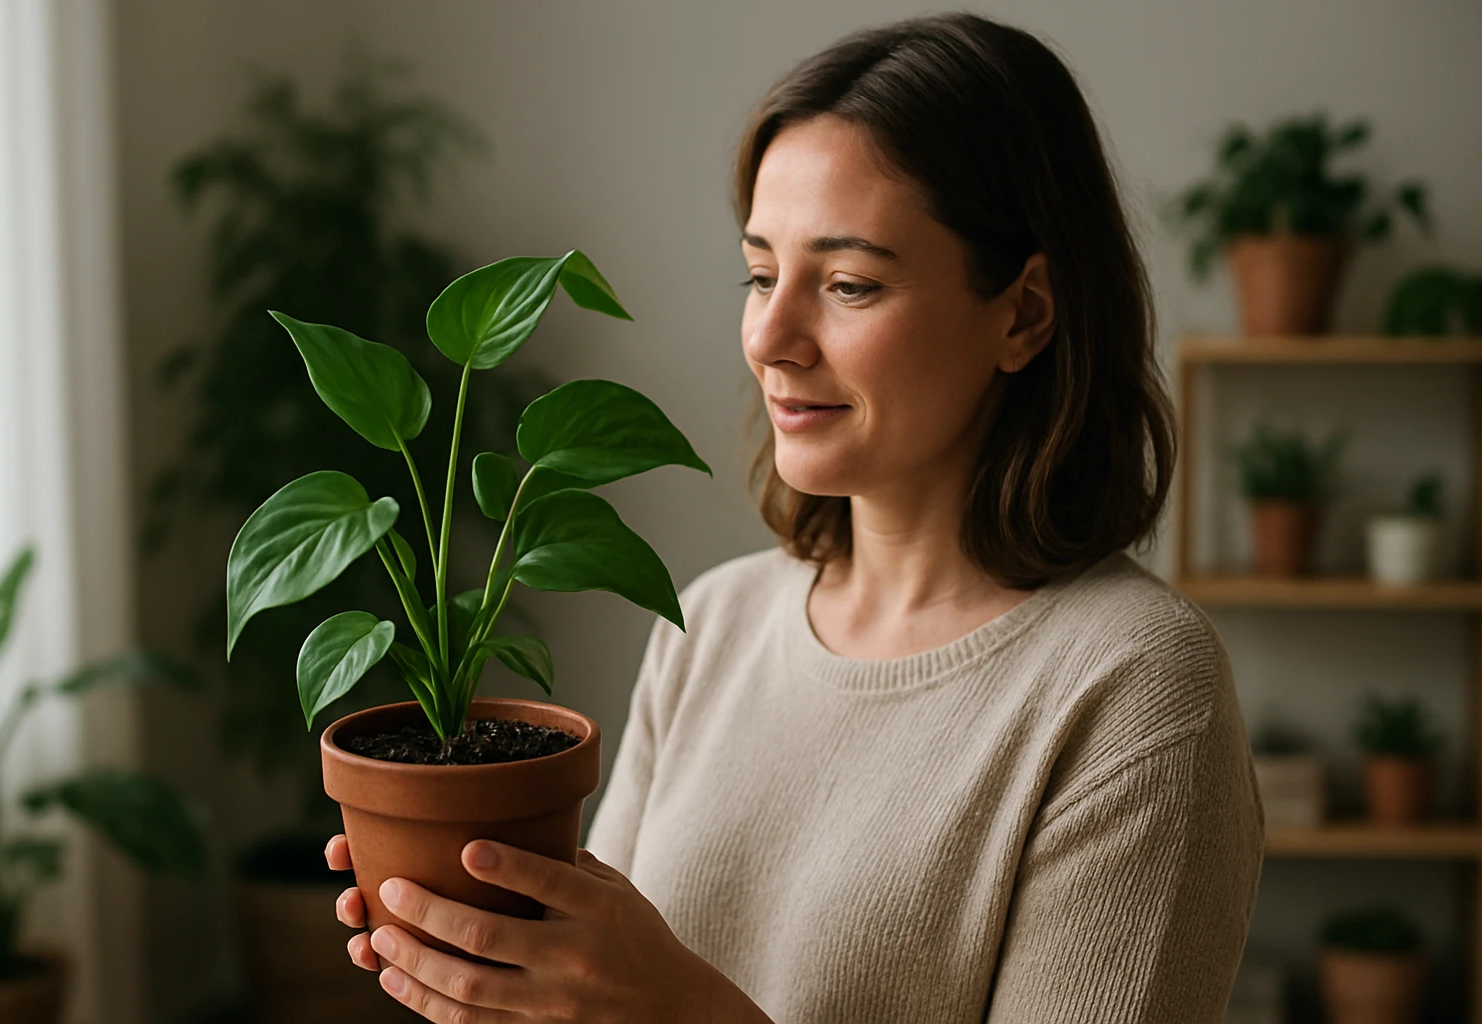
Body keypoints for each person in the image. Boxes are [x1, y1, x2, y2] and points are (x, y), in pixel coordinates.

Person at [323, 12, 1264, 1022]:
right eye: (762, 275)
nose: (771, 338)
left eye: (850, 284)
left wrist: (679, 1012)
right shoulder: (710, 626)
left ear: (1025, 312)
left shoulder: (1132, 686)